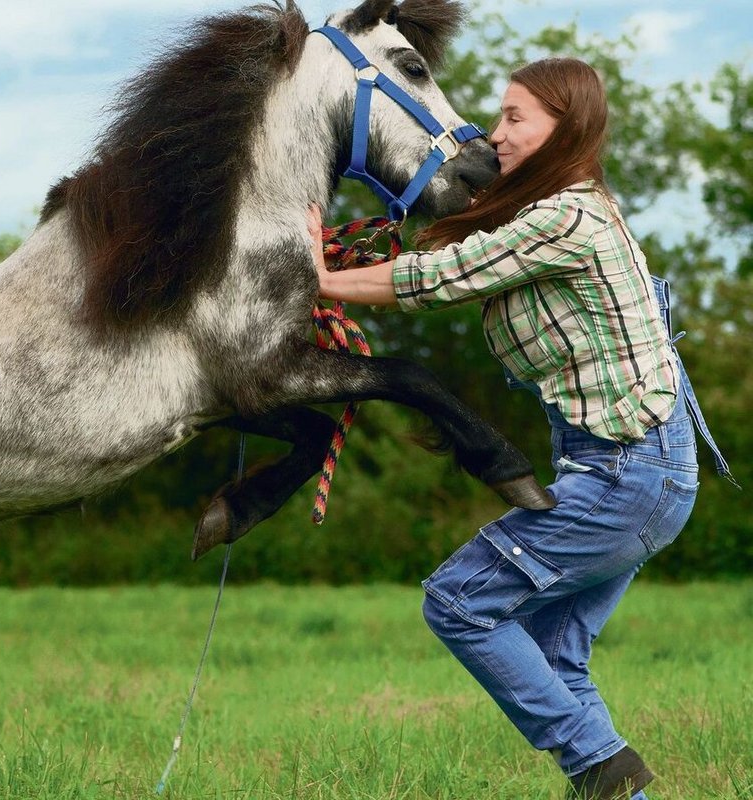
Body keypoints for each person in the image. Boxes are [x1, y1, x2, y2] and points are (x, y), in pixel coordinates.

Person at [310, 57, 734, 800]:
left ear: (562, 129)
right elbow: (451, 253)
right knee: (554, 655)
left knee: (458, 601)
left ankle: (598, 760)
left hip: (627, 476)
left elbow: (435, 279)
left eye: (515, 118)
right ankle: (613, 784)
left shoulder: (568, 215)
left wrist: (313, 278)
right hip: (635, 472)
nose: (494, 133)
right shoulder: (558, 212)